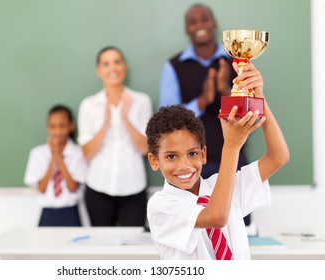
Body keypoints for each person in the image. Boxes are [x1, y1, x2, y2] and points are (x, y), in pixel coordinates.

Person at [146, 62, 289, 259]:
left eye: (193, 154)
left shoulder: (224, 185)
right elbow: (216, 217)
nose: (184, 165)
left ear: (203, 154)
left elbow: (278, 157)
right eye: (171, 156)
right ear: (154, 161)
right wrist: (231, 145)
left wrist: (259, 97)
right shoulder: (160, 206)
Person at [159, 3, 253, 226]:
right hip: (191, 166)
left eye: (204, 19)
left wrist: (223, 93)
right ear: (187, 30)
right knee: (199, 230)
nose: (200, 25)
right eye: (193, 22)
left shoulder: (238, 63)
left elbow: (250, 115)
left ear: (214, 24)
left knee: (238, 227)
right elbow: (167, 121)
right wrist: (202, 100)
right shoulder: (174, 66)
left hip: (234, 159)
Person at [78, 46, 153, 226]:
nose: (113, 68)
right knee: (102, 249)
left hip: (133, 187)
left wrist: (125, 118)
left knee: (132, 248)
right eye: (106, 64)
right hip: (98, 187)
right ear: (98, 70)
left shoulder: (141, 101)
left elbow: (145, 148)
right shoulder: (89, 105)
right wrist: (105, 123)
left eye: (117, 62)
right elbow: (87, 153)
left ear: (124, 66)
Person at [24, 105, 87, 227]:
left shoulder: (78, 153)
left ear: (71, 126)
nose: (57, 131)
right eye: (53, 127)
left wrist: (60, 159)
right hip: (47, 212)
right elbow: (41, 188)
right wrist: (53, 159)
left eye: (62, 126)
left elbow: (73, 187)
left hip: (70, 211)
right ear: (47, 127)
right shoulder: (38, 153)